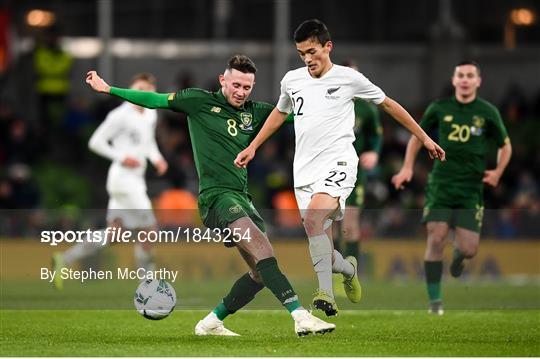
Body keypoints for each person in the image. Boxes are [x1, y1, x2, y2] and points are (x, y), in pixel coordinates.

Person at [85, 55, 335, 337]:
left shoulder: (256, 112)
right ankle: (300, 317)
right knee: (264, 249)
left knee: (259, 273)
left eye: (247, 87)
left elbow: (295, 116)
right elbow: (153, 99)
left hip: (242, 197)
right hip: (216, 197)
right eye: (236, 85)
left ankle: (211, 323)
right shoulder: (199, 101)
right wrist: (109, 89)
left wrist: (334, 108)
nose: (241, 92)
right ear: (222, 80)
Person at [235, 19, 445, 317]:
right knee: (319, 238)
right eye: (301, 53)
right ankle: (347, 269)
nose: (307, 59)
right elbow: (280, 114)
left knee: (313, 222)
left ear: (327, 47)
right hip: (304, 170)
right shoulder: (292, 80)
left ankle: (324, 293)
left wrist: (423, 137)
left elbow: (388, 104)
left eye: (312, 51)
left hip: (340, 163)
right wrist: (253, 145)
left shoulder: (349, 78)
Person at [391, 60, 512, 315]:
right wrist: (408, 167)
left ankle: (459, 256)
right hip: (442, 185)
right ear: (454, 80)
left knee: (469, 249)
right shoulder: (439, 108)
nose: (465, 79)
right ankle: (435, 301)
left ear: (478, 81)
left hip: (471, 188)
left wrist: (499, 172)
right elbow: (418, 136)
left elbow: (505, 145)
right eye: (461, 75)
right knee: (436, 238)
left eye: (470, 75)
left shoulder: (487, 112)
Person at [52, 73, 168, 289]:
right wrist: (122, 156)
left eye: (147, 90)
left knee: (114, 235)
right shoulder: (120, 115)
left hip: (134, 180)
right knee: (150, 229)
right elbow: (95, 142)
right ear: (132, 90)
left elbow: (148, 141)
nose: (142, 94)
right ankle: (149, 285)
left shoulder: (150, 114)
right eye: (139, 89)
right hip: (123, 179)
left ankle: (64, 259)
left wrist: (157, 158)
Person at [333, 60, 383, 296]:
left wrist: (373, 151)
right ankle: (332, 275)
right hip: (327, 171)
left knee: (350, 226)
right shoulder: (328, 104)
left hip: (354, 173)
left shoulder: (366, 109)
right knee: (329, 226)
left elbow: (376, 136)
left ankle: (351, 276)